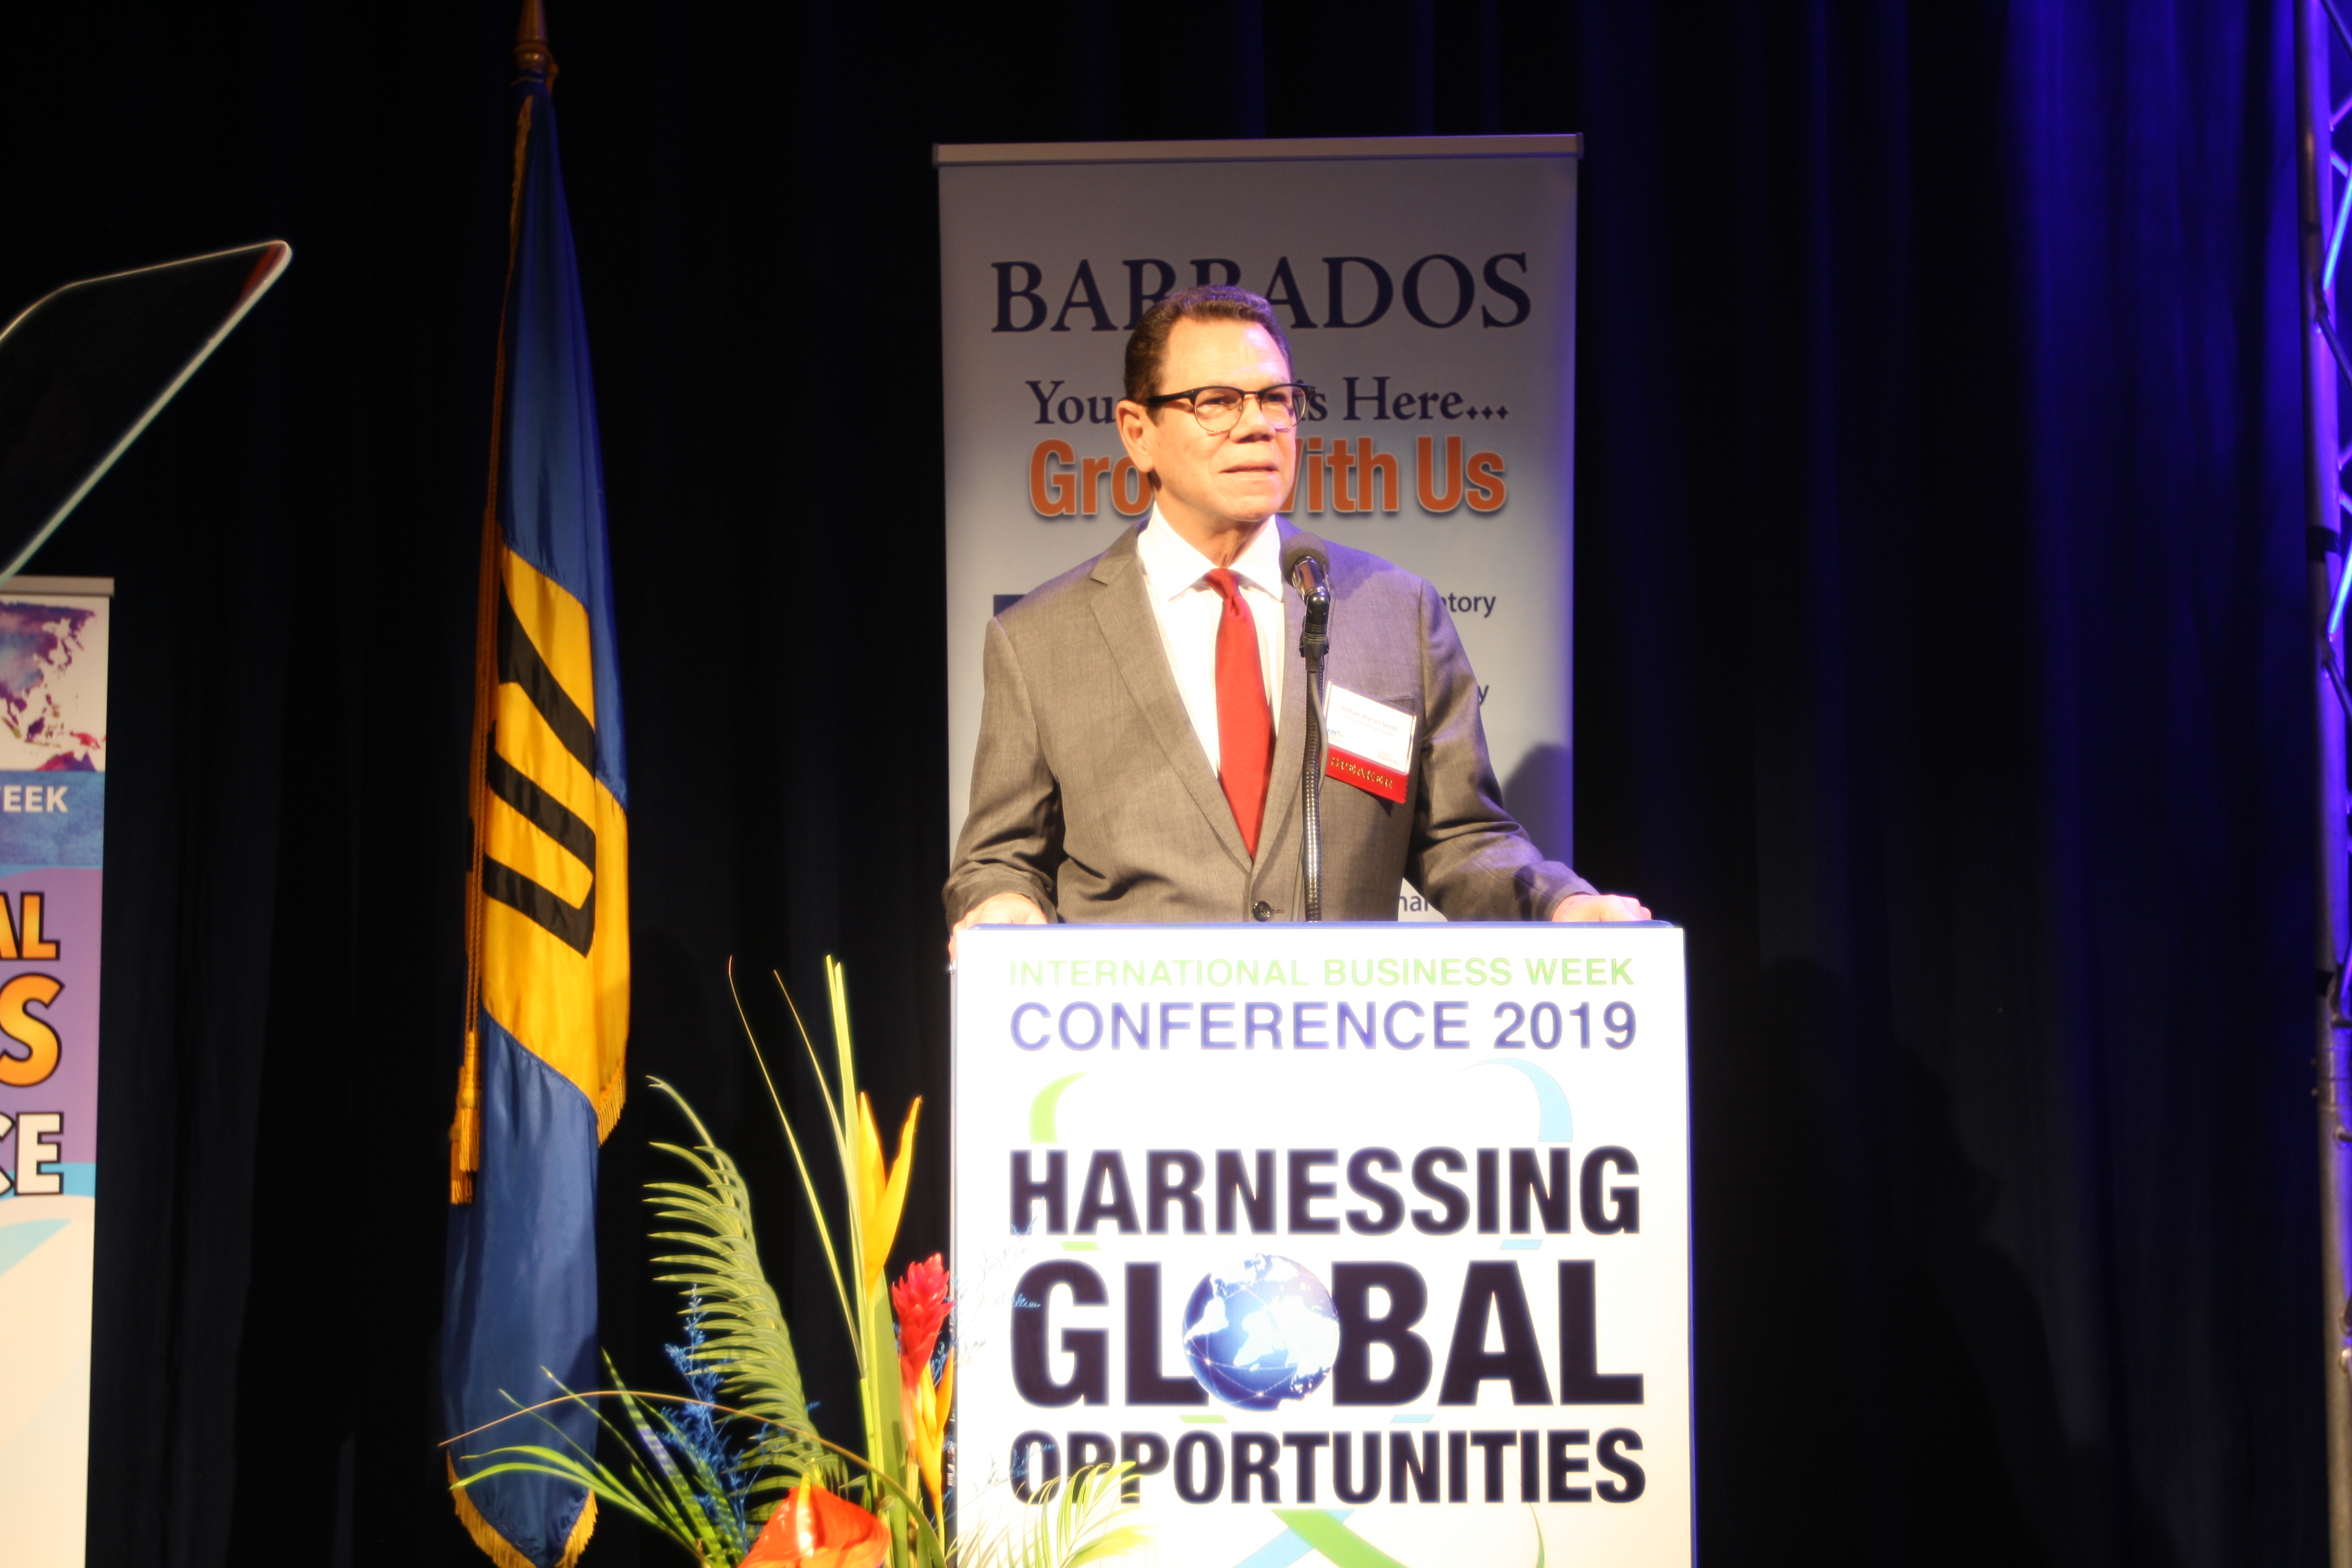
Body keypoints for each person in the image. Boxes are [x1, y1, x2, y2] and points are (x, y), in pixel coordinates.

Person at [944, 286, 1646, 947]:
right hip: (1135, 1060)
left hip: (1340, 1045)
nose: (1258, 425)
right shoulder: (1040, 639)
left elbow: (1460, 837)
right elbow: (1002, 857)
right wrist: (1004, 904)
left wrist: (1562, 903)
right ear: (1139, 432)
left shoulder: (1396, 612)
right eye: (1216, 401)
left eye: (1277, 398)